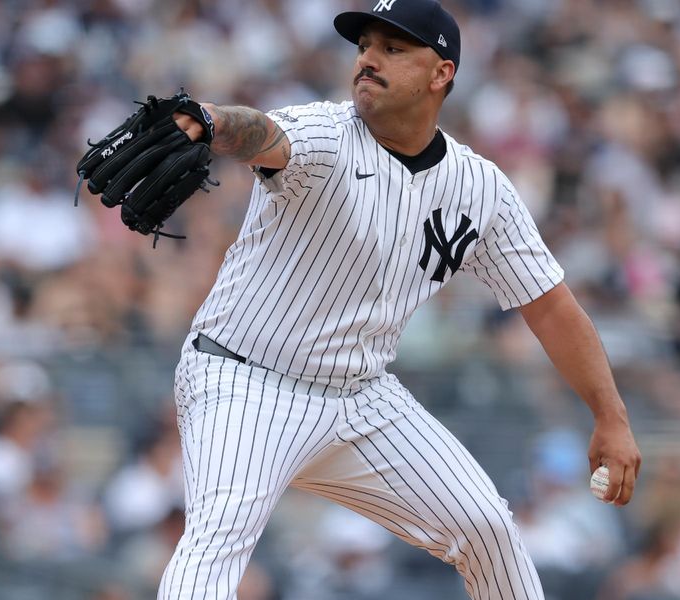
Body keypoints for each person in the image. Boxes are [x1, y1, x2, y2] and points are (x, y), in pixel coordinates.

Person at [167, 1, 641, 598]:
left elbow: (550, 307)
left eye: (393, 49)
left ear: (441, 73)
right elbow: (261, 133)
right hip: (246, 381)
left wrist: (610, 415)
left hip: (363, 399)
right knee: (218, 540)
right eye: (365, 46)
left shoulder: (479, 187)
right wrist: (210, 120)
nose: (368, 59)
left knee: (488, 528)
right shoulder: (325, 135)